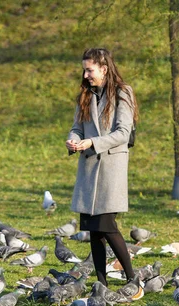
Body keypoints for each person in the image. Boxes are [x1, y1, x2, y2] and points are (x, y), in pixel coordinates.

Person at [66, 47, 139, 287]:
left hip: (110, 170)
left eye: (90, 70)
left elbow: (123, 133)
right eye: (84, 70)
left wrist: (93, 142)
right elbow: (77, 126)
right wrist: (74, 139)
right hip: (89, 171)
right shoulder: (85, 95)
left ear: (104, 69)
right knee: (94, 231)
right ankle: (101, 285)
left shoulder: (122, 93)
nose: (85, 75)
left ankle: (133, 280)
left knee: (107, 226)